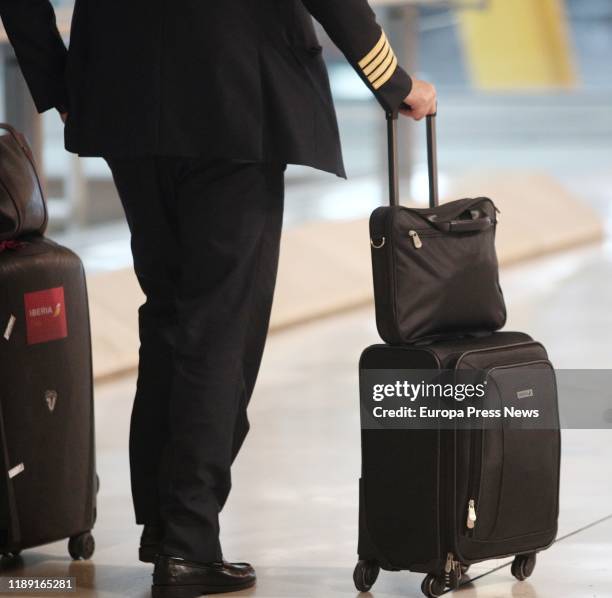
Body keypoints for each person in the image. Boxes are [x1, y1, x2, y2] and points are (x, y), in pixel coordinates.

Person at [0, 1, 436, 596]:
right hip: (238, 95)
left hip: (123, 91)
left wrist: (59, 79)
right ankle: (188, 542)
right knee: (219, 325)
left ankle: (165, 526)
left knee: (170, 314)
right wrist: (391, 79)